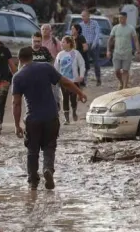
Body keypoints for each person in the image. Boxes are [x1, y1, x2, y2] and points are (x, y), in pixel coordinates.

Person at [12, 47, 86, 190]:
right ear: (32, 56)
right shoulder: (46, 67)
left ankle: (33, 181)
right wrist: (80, 93)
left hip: (33, 119)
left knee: (32, 150)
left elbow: (16, 103)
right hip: (51, 116)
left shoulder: (18, 77)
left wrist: (17, 125)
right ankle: (48, 169)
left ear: (20, 60)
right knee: (49, 146)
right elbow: (65, 82)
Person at [54, 36, 86, 124]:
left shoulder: (75, 53)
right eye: (61, 42)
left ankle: (74, 112)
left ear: (69, 43)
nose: (61, 44)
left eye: (63, 42)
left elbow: (82, 64)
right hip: (63, 81)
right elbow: (56, 67)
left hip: (74, 80)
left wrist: (81, 76)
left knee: (73, 98)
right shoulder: (60, 55)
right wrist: (56, 78)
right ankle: (66, 118)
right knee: (65, 98)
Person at [108, 12, 140, 90]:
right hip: (117, 52)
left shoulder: (131, 28)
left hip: (127, 52)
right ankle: (121, 82)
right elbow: (110, 40)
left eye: (122, 18)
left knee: (125, 70)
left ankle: (125, 86)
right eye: (119, 18)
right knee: (117, 70)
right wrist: (108, 50)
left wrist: (138, 50)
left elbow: (136, 40)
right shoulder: (115, 28)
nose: (120, 19)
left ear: (126, 18)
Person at [79, 10, 102, 86]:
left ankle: (98, 79)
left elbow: (97, 34)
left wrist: (94, 44)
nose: (83, 18)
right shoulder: (81, 25)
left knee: (96, 63)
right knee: (85, 63)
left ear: (89, 16)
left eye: (84, 16)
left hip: (94, 45)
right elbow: (80, 36)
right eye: (82, 16)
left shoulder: (94, 23)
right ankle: (83, 80)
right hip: (85, 45)